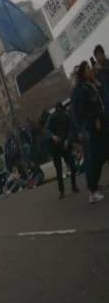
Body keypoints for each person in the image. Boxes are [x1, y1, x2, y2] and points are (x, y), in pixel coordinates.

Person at [71, 62, 106, 204]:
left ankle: (94, 187)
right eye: (87, 69)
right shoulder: (81, 89)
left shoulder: (90, 85)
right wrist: (93, 119)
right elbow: (81, 110)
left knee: (100, 156)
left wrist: (95, 80)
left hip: (99, 125)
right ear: (82, 73)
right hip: (91, 128)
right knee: (94, 159)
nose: (90, 70)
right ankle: (92, 190)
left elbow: (101, 96)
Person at [46, 102, 79, 199]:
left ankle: (67, 189)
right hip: (58, 145)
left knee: (65, 167)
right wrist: (54, 137)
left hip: (61, 144)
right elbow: (48, 130)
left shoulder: (61, 117)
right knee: (63, 167)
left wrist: (67, 140)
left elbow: (70, 130)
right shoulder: (56, 117)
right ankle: (66, 189)